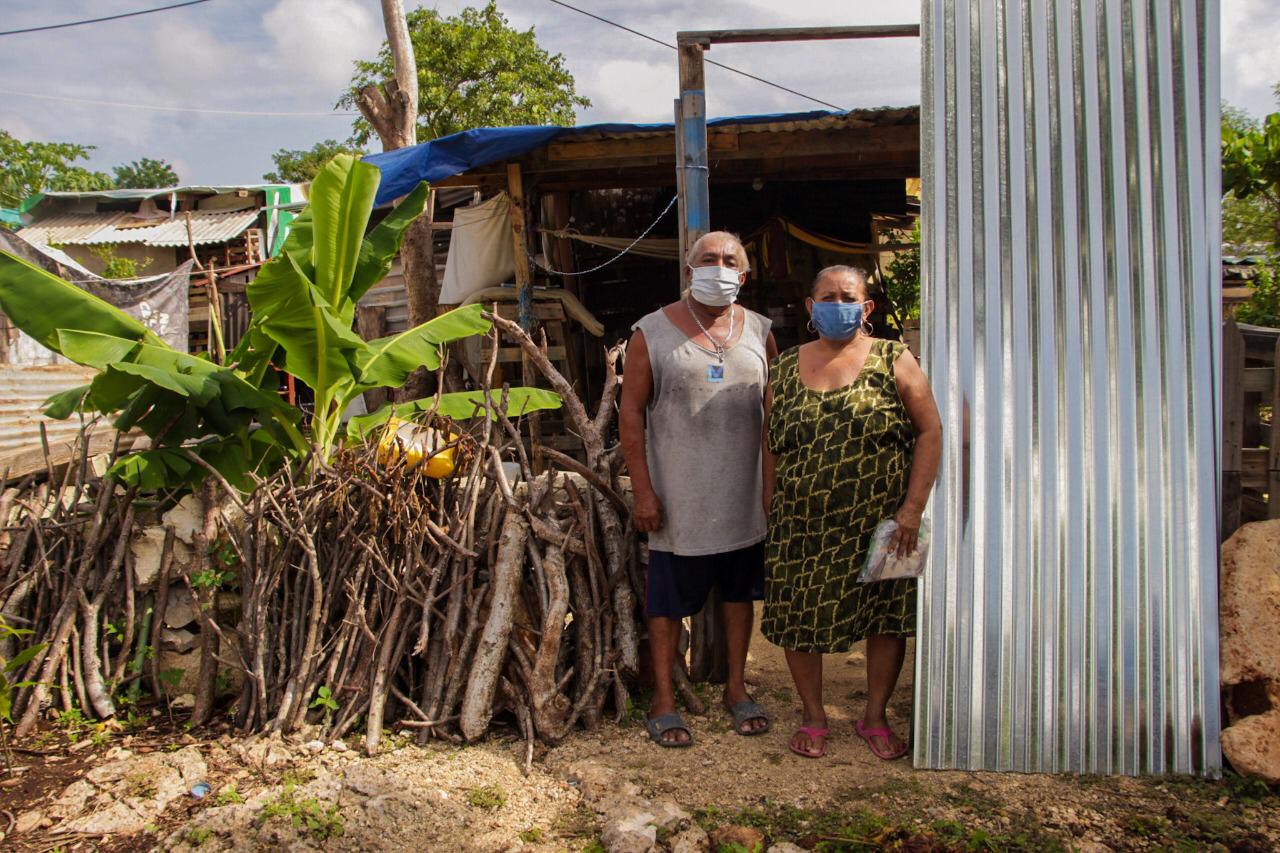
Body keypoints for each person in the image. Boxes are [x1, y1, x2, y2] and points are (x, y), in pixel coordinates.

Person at [762, 265, 942, 760]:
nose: (836, 303)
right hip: (801, 522)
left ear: (866, 308)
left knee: (885, 617)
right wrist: (770, 504)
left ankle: (875, 717)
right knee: (800, 616)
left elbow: (930, 431)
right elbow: (771, 444)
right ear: (810, 307)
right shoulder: (784, 367)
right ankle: (814, 716)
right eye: (826, 296)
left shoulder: (894, 357)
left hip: (886, 523)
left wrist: (913, 509)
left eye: (847, 296)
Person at [619, 231, 779, 747]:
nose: (719, 267)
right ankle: (663, 699)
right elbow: (630, 417)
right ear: (689, 272)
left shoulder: (760, 331)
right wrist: (643, 492)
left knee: (738, 595)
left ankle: (736, 687)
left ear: (744, 274)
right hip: (677, 501)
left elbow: (774, 420)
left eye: (730, 259)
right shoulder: (651, 332)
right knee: (666, 603)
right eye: (708, 259)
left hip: (740, 497)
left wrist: (769, 492)